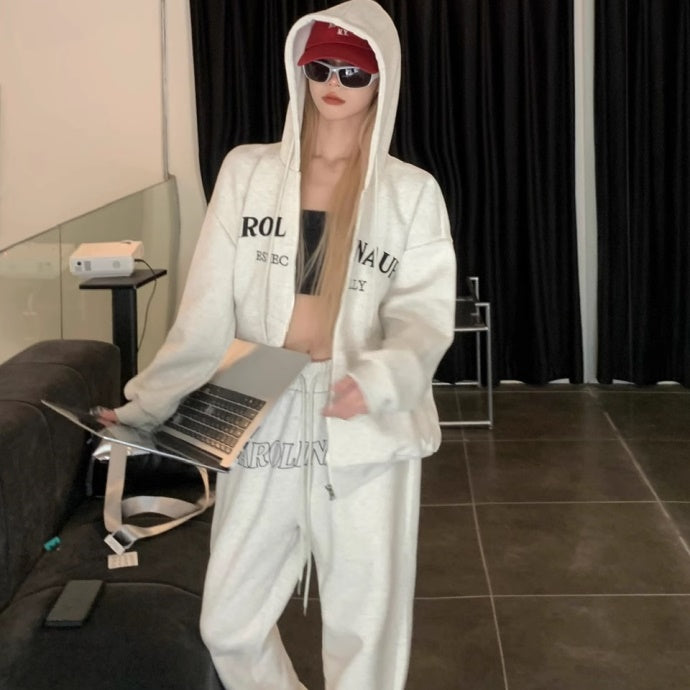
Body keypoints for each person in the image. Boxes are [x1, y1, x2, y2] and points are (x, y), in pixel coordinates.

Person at [103, 0, 456, 687]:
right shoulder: (249, 172)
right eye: (320, 67)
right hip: (257, 386)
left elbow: (422, 313)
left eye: (353, 72)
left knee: (365, 626)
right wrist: (148, 404)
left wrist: (382, 379)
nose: (334, 84)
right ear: (300, 68)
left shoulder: (410, 193)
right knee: (228, 623)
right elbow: (205, 310)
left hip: (358, 406)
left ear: (382, 78)